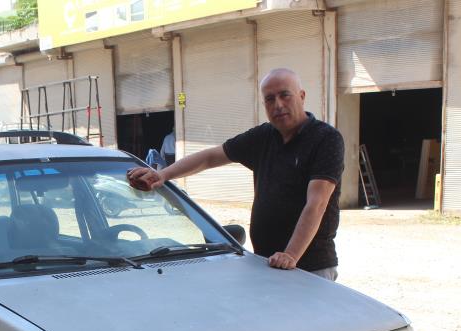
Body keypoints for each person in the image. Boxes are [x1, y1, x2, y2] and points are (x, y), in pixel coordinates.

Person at [127, 68, 344, 281]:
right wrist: (162, 175)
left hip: (310, 268)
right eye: (269, 99)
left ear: (302, 96)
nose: (278, 104)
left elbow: (316, 204)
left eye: (284, 95)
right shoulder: (264, 137)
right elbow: (210, 157)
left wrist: (291, 255)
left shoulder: (325, 139)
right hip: (265, 262)